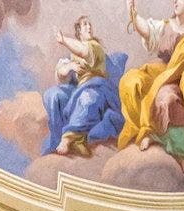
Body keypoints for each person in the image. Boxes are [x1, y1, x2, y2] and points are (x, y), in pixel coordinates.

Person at [119, 0, 184, 176]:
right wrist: (132, 11)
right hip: (158, 72)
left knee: (167, 98)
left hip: (176, 80)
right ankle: (146, 131)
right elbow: (145, 29)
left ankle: (180, 153)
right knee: (130, 81)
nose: (175, 2)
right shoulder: (164, 26)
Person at [42, 16, 126, 157]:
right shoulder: (73, 54)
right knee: (53, 94)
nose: (89, 27)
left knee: (88, 97)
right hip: (79, 88)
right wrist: (70, 66)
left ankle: (68, 137)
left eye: (89, 24)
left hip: (99, 87)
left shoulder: (95, 47)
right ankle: (60, 139)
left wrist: (64, 41)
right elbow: (61, 74)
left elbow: (84, 51)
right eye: (85, 24)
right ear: (79, 31)